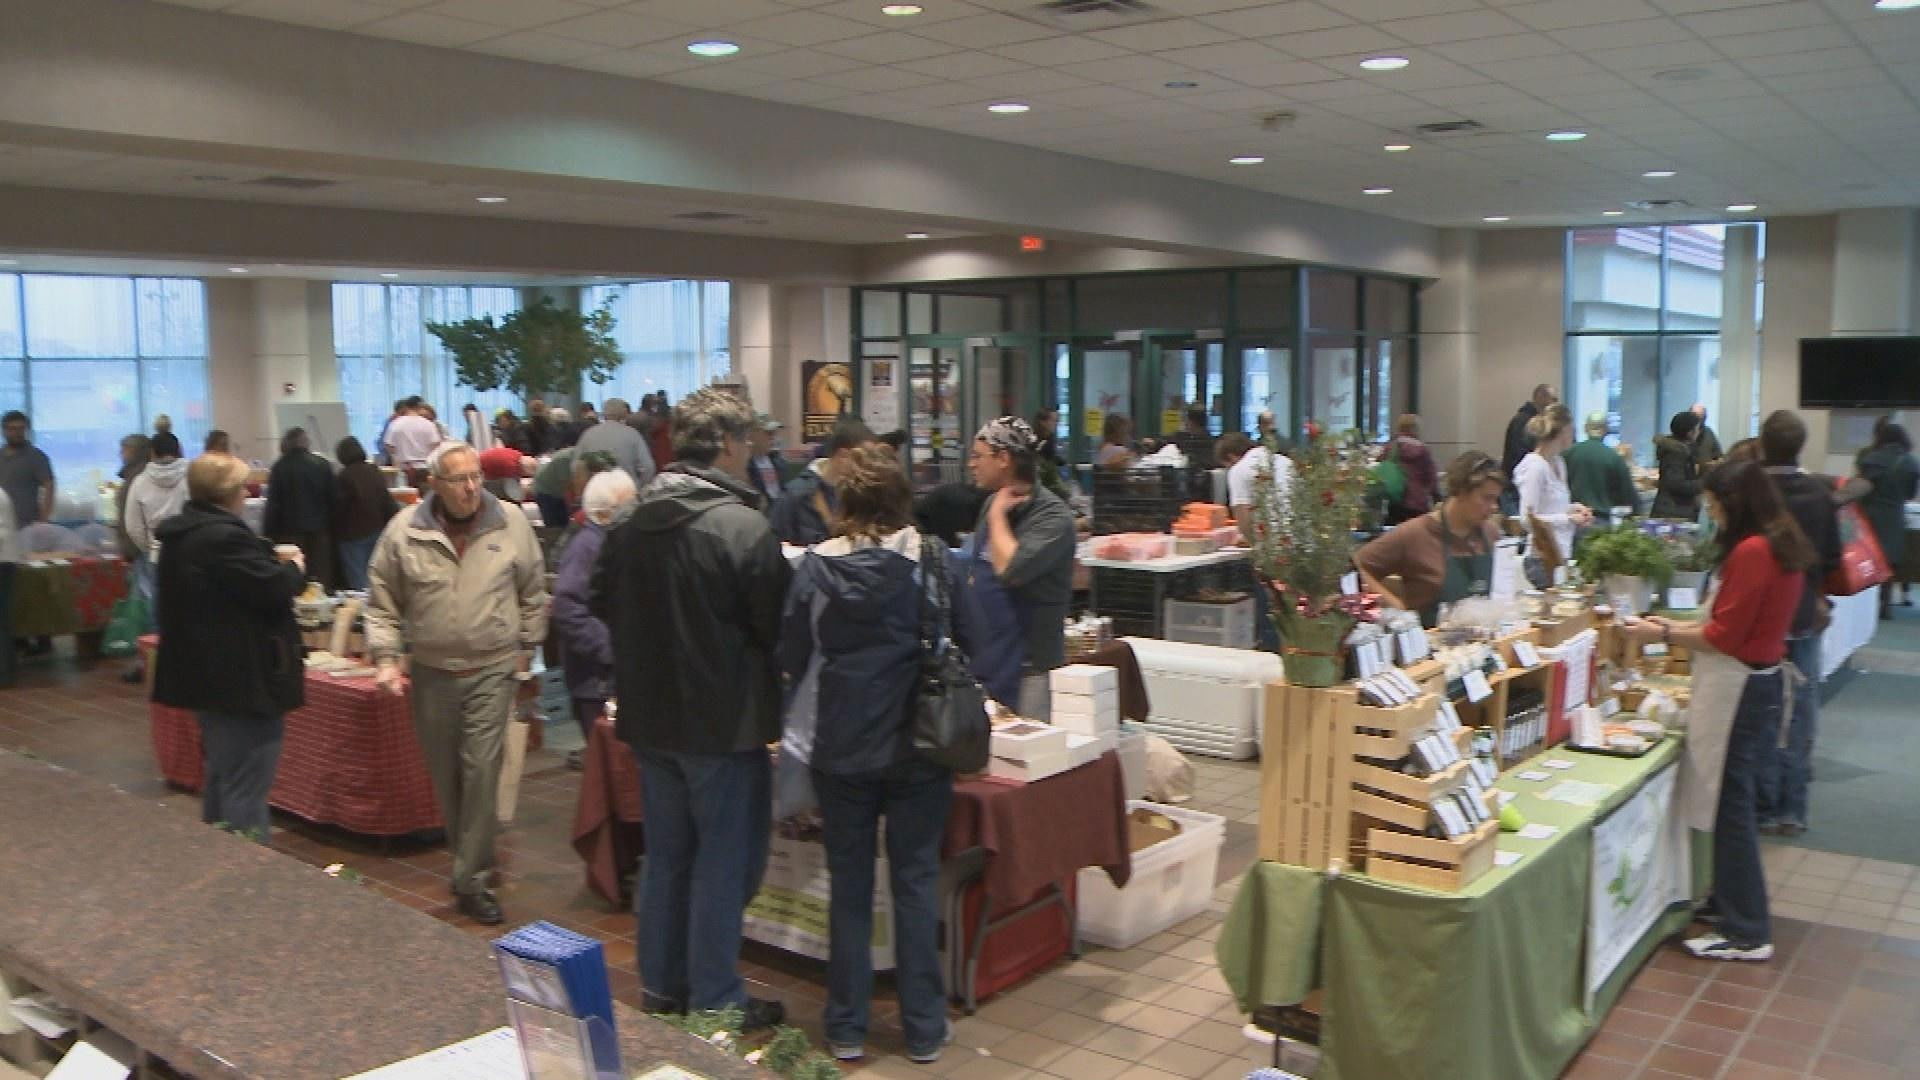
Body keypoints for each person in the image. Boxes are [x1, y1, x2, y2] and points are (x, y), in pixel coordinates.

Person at [588, 388, 790, 1028]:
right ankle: (715, 996)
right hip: (723, 724)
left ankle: (663, 988)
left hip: (650, 718)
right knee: (725, 863)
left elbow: (600, 602)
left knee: (668, 856)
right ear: (730, 445)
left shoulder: (626, 523)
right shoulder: (743, 526)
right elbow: (774, 627)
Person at [779, 446, 952, 1065]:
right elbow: (967, 641)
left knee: (848, 887)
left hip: (842, 745)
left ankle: (847, 1026)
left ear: (843, 501)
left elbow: (794, 657)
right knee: (914, 882)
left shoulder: (813, 569)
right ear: (902, 498)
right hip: (918, 744)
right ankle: (925, 1028)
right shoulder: (930, 560)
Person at [1622, 460, 1812, 963]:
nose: (1710, 513)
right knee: (1734, 801)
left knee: (1731, 807)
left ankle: (1748, 929)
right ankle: (1730, 905)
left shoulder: (1753, 551)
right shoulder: (1783, 540)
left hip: (1740, 688)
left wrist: (1659, 633)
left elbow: (1721, 636)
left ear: (1734, 502)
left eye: (1714, 505)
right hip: (1763, 680)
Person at [365, 441, 548, 926]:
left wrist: (527, 648)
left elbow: (533, 589)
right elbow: (382, 601)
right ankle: (466, 864)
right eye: (458, 480)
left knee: (481, 774)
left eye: (475, 478)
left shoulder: (509, 522)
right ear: (434, 484)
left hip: (491, 668)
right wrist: (386, 658)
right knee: (448, 781)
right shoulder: (405, 531)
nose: (471, 488)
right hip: (431, 673)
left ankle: (474, 879)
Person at [151, 453, 305, 843]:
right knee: (246, 788)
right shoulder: (222, 536)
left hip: (210, 677)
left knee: (223, 780)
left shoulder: (183, 534)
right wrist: (295, 569)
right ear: (227, 493)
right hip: (242, 680)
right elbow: (269, 589)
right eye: (242, 487)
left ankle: (220, 868)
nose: (246, 493)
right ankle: (249, 883)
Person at [1753, 410, 1842, 837]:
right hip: (1804, 614)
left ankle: (1762, 807)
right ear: (1801, 446)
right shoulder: (1819, 493)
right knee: (1801, 713)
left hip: (1757, 621)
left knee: (1761, 714)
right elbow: (1831, 558)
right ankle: (1793, 810)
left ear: (1762, 443)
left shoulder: (1749, 493)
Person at [968, 417, 1077, 718]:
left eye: (978, 456)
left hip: (1030, 671)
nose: (971, 464)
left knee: (1027, 759)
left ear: (1004, 458)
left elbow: (1010, 570)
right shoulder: (992, 504)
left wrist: (998, 518)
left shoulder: (1053, 517)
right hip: (989, 660)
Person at [1356, 452, 1506, 626]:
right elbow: (1357, 568)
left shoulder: (1491, 534)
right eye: (1487, 498)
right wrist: (1397, 610)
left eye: (1496, 499)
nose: (1494, 507)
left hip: (1482, 647)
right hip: (1429, 647)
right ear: (1461, 491)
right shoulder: (1414, 534)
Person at [550, 470, 636, 770]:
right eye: (629, 507)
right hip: (597, 682)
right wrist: (612, 649)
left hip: (611, 676)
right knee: (613, 772)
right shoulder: (587, 547)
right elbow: (567, 607)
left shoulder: (614, 543)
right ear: (603, 513)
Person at [123, 433, 189, 670]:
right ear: (179, 449)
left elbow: (132, 525)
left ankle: (161, 667)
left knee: (159, 612)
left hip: (158, 555)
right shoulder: (191, 477)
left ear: (152, 453)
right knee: (190, 609)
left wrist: (150, 546)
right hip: (190, 554)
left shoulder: (140, 482)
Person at [772, 419, 877, 546]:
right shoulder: (795, 495)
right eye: (864, 458)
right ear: (843, 456)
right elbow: (777, 547)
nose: (869, 465)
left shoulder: (861, 493)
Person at [1513, 404, 1593, 570]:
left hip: (1561, 553)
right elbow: (1528, 519)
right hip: (1541, 558)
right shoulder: (1535, 467)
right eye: (1572, 429)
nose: (1574, 434)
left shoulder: (1558, 462)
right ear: (1563, 431)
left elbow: (1552, 508)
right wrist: (1568, 519)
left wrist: (1573, 509)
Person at [1857, 422, 1919, 619]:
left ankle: (1868, 605)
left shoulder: (1871, 459)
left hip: (1871, 514)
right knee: (1890, 562)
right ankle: (1886, 605)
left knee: (1870, 560)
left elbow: (1862, 487)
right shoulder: (1911, 462)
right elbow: (1910, 494)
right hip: (1894, 516)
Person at [263, 427, 335, 588]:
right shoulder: (323, 464)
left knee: (295, 577)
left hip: (289, 531)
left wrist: (268, 535)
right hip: (320, 530)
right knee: (320, 578)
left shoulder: (279, 467)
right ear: (306, 443)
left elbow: (273, 504)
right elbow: (333, 499)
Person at [332, 436, 398, 592]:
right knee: (378, 575)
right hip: (377, 529)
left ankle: (362, 611)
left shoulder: (343, 476)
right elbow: (385, 499)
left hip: (352, 534)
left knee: (358, 581)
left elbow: (339, 508)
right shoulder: (373, 470)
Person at [1565, 411, 1638, 525]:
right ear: (1606, 430)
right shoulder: (1613, 457)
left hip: (1573, 519)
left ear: (1585, 428)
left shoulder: (1568, 453)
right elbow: (1628, 494)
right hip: (1601, 521)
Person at [575, 397, 656, 489]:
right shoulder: (632, 434)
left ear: (604, 413)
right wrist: (639, 486)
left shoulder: (588, 434)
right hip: (627, 491)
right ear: (624, 414)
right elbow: (648, 467)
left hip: (597, 492)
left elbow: (576, 466)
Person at [0, 411, 55, 527]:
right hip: (2, 525)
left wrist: (43, 520)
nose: (17, 433)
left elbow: (49, 487)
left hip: (27, 526)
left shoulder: (36, 457)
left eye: (21, 428)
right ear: (4, 431)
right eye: (12, 429)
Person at [1384, 414, 1437, 525]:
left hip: (1396, 500)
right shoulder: (1423, 450)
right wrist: (1437, 498)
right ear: (1416, 428)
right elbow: (1431, 478)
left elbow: (1382, 467)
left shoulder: (1391, 447)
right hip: (1418, 502)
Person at [1652, 410, 1705, 521]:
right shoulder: (1676, 453)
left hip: (1674, 509)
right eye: (1697, 428)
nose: (1699, 432)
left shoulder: (1682, 449)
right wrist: (1704, 483)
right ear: (1690, 432)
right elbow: (1676, 484)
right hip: (1673, 512)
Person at [1501, 383, 1556, 485]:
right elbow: (1520, 453)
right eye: (1554, 399)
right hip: (1519, 482)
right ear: (1541, 397)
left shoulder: (1529, 420)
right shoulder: (1524, 422)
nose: (1554, 403)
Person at [383, 398, 441, 486]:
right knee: (425, 496)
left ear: (406, 407)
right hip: (425, 467)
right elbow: (436, 446)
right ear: (418, 407)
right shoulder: (429, 424)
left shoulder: (395, 424)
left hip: (403, 468)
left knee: (406, 497)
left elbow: (389, 446)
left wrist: (398, 455)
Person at [113, 434, 152, 562]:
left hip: (138, 550)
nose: (121, 454)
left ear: (134, 451)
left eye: (124, 450)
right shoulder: (138, 474)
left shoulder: (137, 478)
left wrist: (140, 549)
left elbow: (133, 524)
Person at [746, 412, 796, 508]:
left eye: (775, 433)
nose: (773, 437)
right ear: (751, 434)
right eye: (769, 433)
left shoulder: (779, 462)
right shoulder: (743, 466)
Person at [531, 447, 577, 529]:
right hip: (545, 490)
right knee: (554, 526)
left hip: (558, 490)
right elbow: (567, 487)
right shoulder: (565, 458)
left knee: (564, 524)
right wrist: (574, 509)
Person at [1693, 403, 1724, 469]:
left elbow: (1719, 457)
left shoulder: (1709, 432)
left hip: (1705, 474)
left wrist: (1716, 463)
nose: (1698, 420)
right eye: (1695, 416)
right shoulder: (1682, 434)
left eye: (1701, 417)